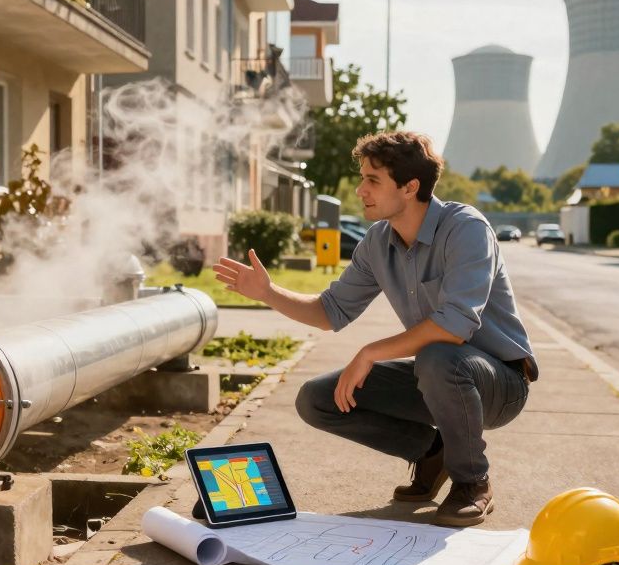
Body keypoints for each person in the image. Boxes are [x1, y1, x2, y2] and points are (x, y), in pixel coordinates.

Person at [212, 131, 538, 526]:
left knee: (438, 355)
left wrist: (370, 352)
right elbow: (329, 311)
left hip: (499, 385)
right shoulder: (378, 241)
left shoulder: (466, 229)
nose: (360, 189)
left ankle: (473, 483)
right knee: (318, 398)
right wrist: (267, 292)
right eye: (362, 177)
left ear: (410, 187)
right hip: (438, 378)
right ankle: (432, 452)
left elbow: (454, 326)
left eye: (373, 180)